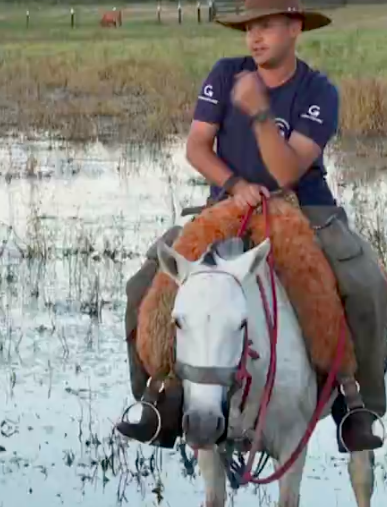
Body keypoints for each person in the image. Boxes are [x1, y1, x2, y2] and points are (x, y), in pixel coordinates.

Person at [116, 0, 386, 453]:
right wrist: (234, 183)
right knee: (143, 284)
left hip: (303, 207)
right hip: (228, 204)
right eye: (249, 28)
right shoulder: (226, 73)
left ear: (295, 27)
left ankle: (357, 404)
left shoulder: (319, 91)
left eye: (266, 26)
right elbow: (198, 147)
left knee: (366, 285)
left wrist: (260, 114)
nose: (255, 37)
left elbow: (286, 172)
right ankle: (158, 397)